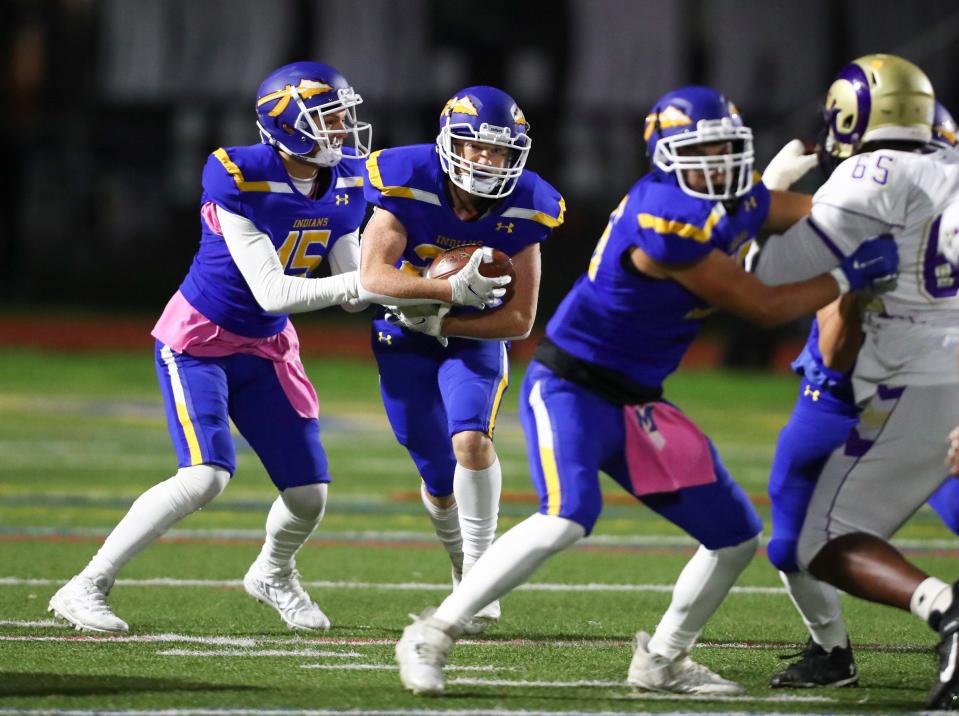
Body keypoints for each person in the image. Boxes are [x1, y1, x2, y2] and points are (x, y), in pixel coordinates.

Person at [392, 84, 899, 696]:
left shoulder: (723, 196)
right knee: (567, 517)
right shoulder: (667, 216)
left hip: (639, 400)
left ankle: (663, 659)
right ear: (667, 154)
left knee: (735, 536)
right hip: (573, 386)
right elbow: (765, 307)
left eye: (724, 148)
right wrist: (852, 270)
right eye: (702, 149)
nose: (717, 163)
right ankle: (433, 633)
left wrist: (888, 213)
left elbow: (807, 214)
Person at [45, 61, 500, 634]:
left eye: (343, 116)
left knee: (309, 494)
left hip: (266, 348)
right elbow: (274, 291)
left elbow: (356, 285)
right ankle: (86, 584)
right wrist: (415, 284)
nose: (343, 130)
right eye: (330, 118)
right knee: (205, 477)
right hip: (200, 341)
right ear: (287, 124)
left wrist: (429, 300)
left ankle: (273, 571)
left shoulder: (350, 180)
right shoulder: (236, 174)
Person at [744, 54, 959, 710]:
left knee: (816, 541)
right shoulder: (945, 173)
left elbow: (765, 281)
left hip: (905, 382)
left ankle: (945, 618)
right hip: (926, 380)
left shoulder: (864, 179)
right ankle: (843, 645)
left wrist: (760, 198)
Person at [358, 86, 563, 634]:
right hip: (402, 330)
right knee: (434, 472)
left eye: (499, 152)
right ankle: (460, 560)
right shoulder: (405, 176)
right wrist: (444, 294)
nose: (486, 160)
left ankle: (477, 572)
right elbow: (373, 277)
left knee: (471, 440)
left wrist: (447, 319)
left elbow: (519, 320)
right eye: (476, 147)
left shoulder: (528, 205)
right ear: (451, 142)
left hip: (473, 337)